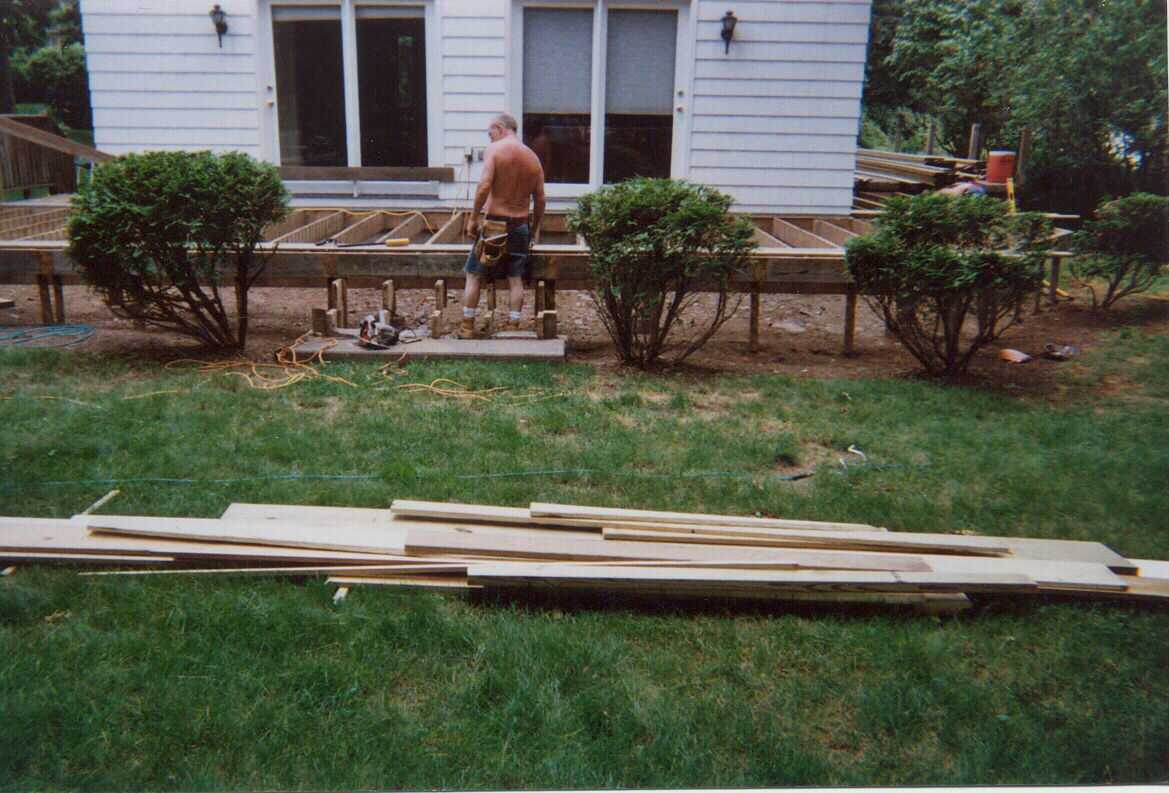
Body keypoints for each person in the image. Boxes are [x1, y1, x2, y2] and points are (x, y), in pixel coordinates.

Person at [459, 112, 546, 338]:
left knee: (474, 274)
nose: (490, 139)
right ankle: (513, 326)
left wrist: (473, 218)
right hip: (520, 225)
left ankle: (467, 326)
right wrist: (534, 229)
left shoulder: (495, 150)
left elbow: (484, 186)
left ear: (499, 127)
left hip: (495, 225)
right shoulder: (533, 158)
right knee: (515, 277)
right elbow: (541, 199)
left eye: (491, 134)